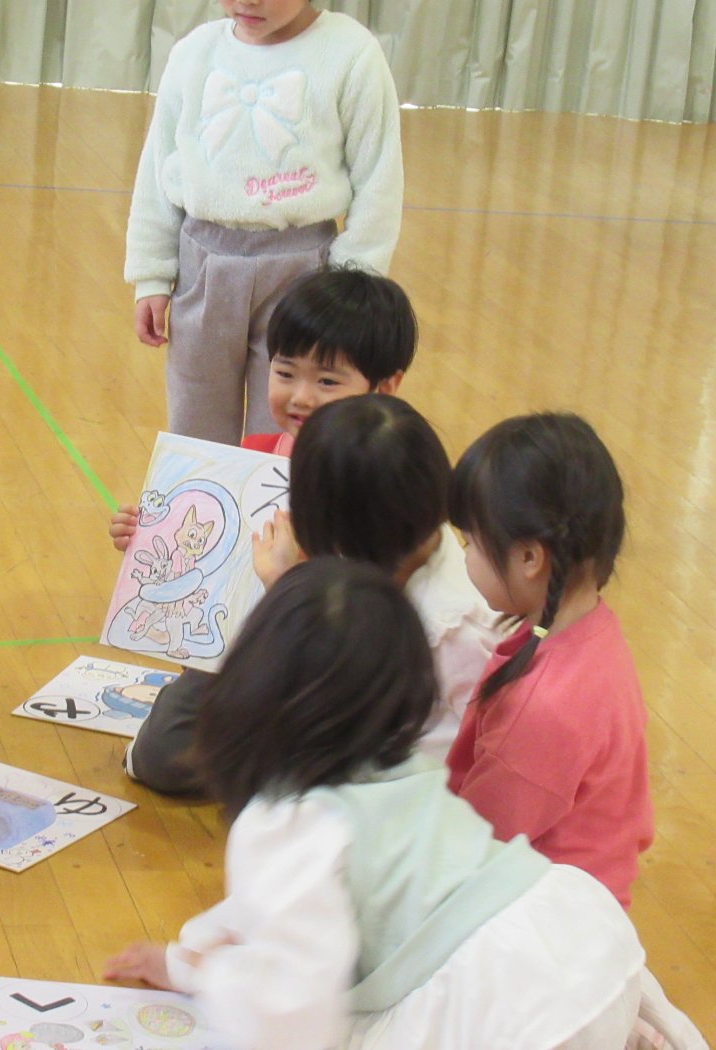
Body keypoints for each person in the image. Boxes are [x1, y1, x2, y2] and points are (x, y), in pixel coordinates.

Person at [103, 559, 646, 1050]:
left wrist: (214, 976)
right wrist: (186, 962)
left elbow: (291, 1015)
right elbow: (270, 908)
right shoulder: (405, 770)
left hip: (508, 1011)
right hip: (591, 950)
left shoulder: (285, 822)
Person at [126, 395, 500, 792]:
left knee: (184, 751)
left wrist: (288, 590)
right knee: (169, 747)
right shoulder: (396, 538)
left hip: (373, 780)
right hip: (345, 743)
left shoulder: (455, 629)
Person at [124, 0, 403, 444]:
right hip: (201, 265)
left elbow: (378, 180)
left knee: (287, 430)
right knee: (195, 422)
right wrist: (151, 275)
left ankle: (287, 495)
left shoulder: (352, 53)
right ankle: (201, 493)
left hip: (305, 271)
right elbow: (158, 173)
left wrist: (353, 286)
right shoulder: (193, 53)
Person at [445, 413, 652, 910]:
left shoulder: (542, 711)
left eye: (470, 543)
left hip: (544, 921)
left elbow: (474, 851)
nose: (465, 556)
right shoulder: (592, 631)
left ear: (529, 559)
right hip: (576, 901)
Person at [108, 265, 415, 551]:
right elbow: (214, 549)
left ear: (385, 387)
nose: (301, 397)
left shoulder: (389, 480)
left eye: (327, 381)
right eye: (285, 373)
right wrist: (150, 538)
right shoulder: (254, 456)